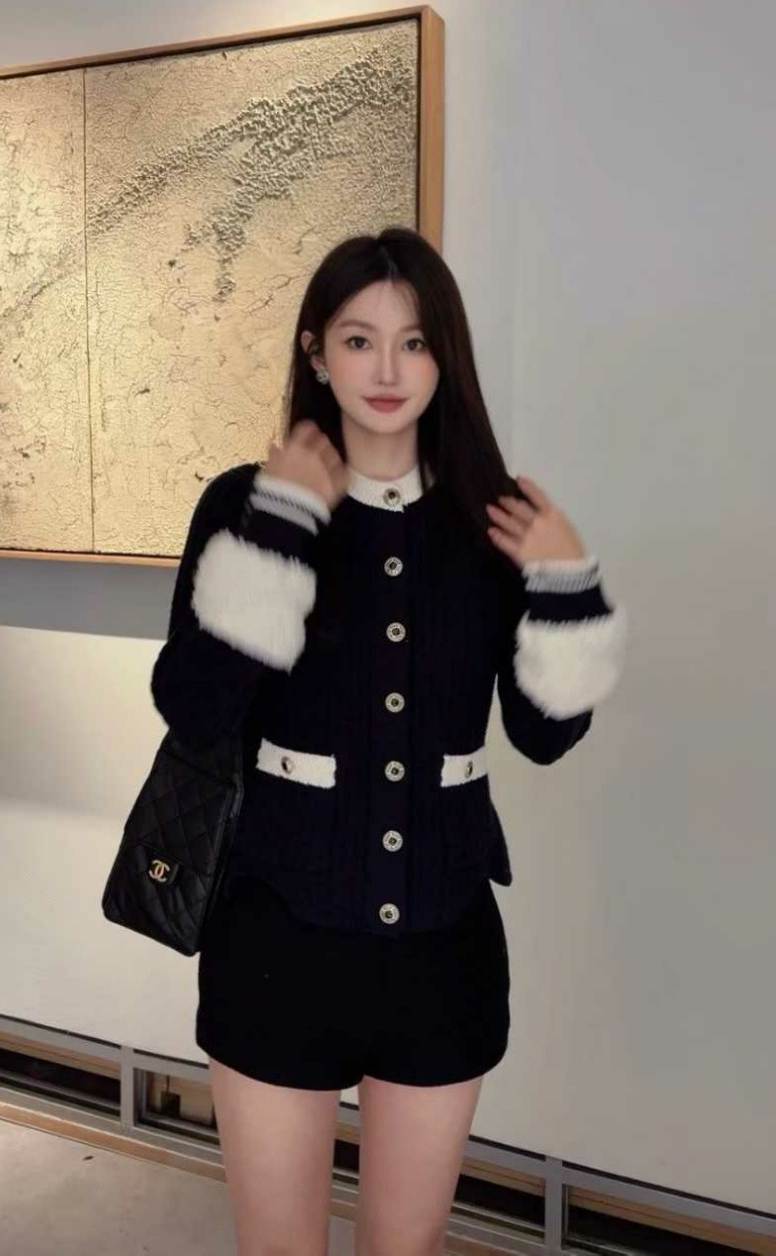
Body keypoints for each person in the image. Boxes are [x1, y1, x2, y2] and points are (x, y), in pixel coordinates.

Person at [150, 227, 627, 1256]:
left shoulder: (492, 522)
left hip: (441, 950)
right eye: (358, 340)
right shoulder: (243, 502)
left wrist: (565, 583)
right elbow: (193, 705)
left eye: (413, 343)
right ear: (316, 352)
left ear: (443, 358)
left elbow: (544, 735)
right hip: (275, 941)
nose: (386, 369)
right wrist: (282, 523)